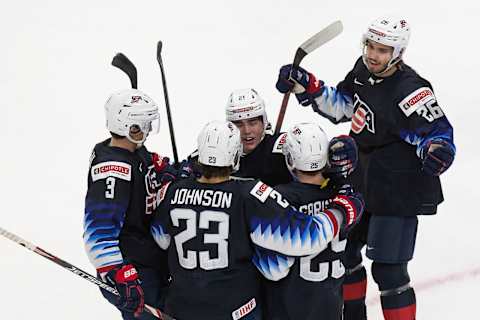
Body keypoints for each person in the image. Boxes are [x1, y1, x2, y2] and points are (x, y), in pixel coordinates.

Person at [275, 16, 456, 320]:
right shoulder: (362, 72)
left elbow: (437, 133)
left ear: (397, 52)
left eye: (382, 50)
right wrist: (309, 87)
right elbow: (345, 106)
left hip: (397, 186)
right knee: (344, 254)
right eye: (370, 46)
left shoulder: (411, 90)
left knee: (389, 271)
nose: (373, 54)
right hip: (362, 178)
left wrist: (438, 149)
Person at [150, 120, 364, 320]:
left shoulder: (174, 191)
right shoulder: (250, 194)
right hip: (236, 309)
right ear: (235, 155)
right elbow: (302, 242)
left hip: (181, 307)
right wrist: (343, 209)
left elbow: (160, 239)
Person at [83, 88, 176, 319]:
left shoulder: (133, 152)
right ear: (128, 126)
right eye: (142, 125)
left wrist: (166, 172)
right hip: (132, 270)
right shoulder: (113, 170)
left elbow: (151, 165)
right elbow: (99, 233)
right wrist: (118, 273)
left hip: (148, 261)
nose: (147, 130)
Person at [255, 122, 357, 320]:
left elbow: (274, 269)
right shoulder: (343, 196)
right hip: (330, 308)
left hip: (288, 309)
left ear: (291, 159)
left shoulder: (279, 197)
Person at [189, 88, 358, 186]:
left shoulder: (283, 145)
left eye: (253, 122)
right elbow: (186, 168)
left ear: (264, 122)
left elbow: (316, 155)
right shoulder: (215, 148)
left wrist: (337, 152)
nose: (247, 131)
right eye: (239, 124)